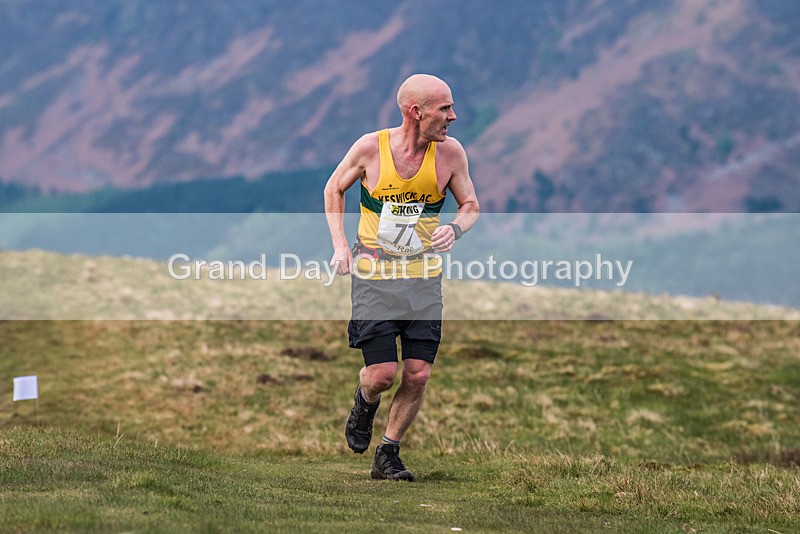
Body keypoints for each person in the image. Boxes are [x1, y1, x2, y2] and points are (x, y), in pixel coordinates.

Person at [324, 74, 479, 481]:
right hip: (374, 275)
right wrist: (340, 245)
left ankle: (388, 452)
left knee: (418, 372)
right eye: (444, 109)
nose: (453, 116)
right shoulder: (370, 149)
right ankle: (365, 398)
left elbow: (471, 204)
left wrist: (456, 228)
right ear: (416, 112)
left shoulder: (450, 155)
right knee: (382, 374)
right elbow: (333, 189)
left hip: (423, 277)